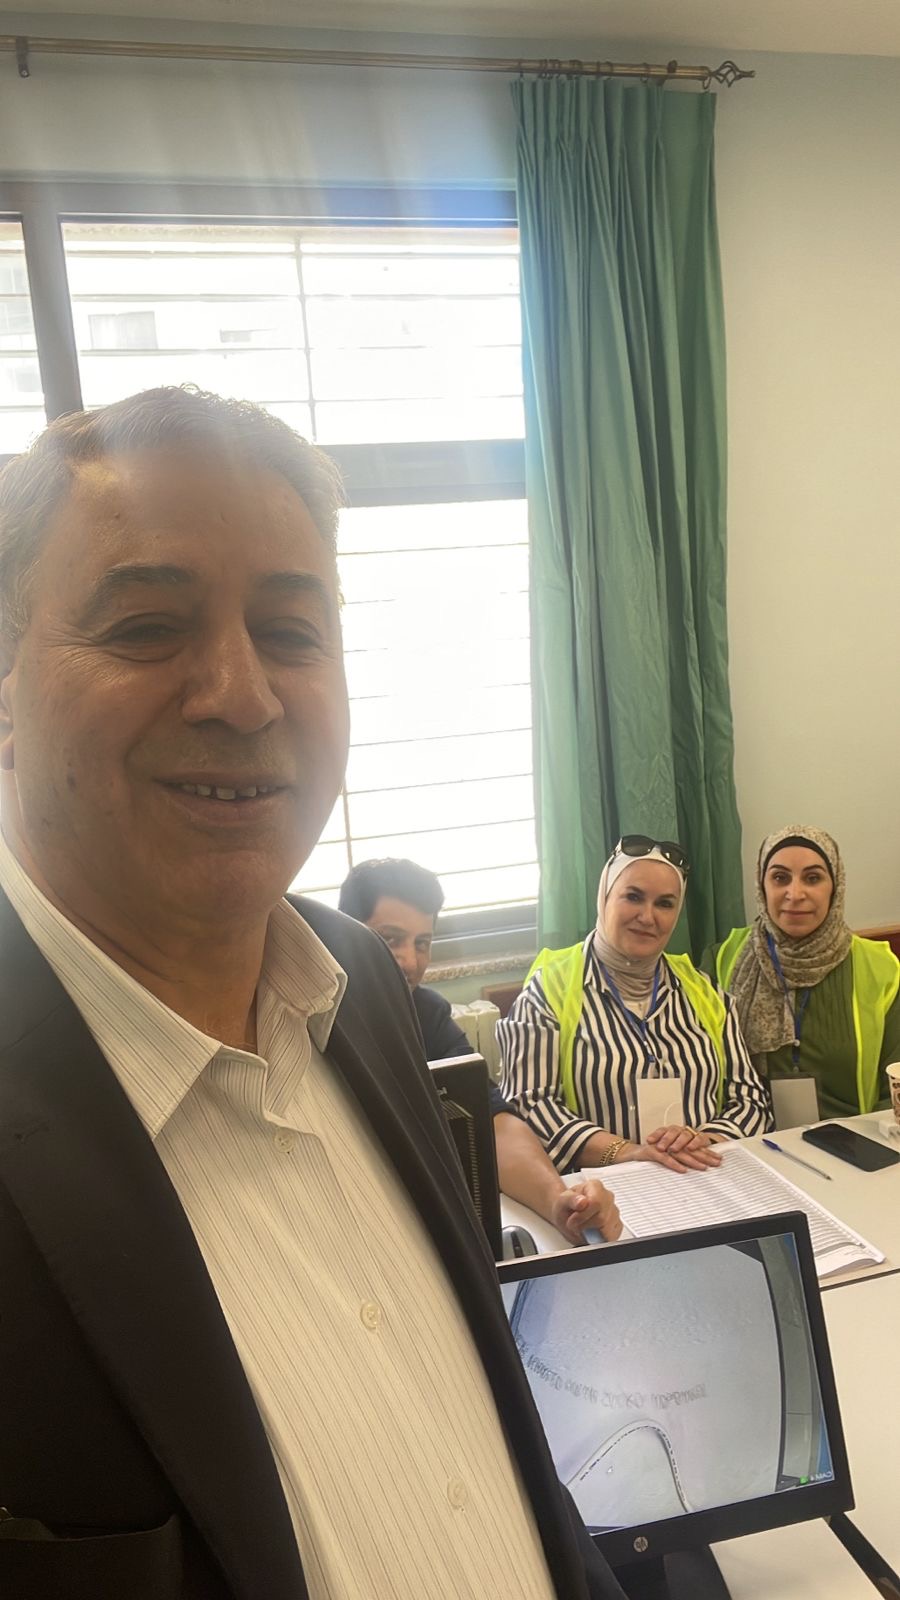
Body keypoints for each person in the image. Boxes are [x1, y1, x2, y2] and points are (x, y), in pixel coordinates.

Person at [0, 387, 625, 1600]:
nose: (243, 693)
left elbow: (502, 1457)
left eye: (291, 631)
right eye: (146, 625)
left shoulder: (366, 993)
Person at [339, 857, 621, 1244]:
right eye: (389, 939)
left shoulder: (427, 1014)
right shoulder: (306, 1016)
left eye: (422, 943)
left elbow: (492, 1122)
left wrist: (558, 1200)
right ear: (345, 933)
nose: (409, 961)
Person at [498, 836, 771, 1175]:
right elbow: (528, 1104)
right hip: (603, 1187)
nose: (647, 916)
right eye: (633, 897)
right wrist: (626, 1152)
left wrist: (706, 1140)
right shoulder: (548, 992)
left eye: (665, 904)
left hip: (704, 1176)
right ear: (605, 897)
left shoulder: (705, 992)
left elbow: (751, 1099)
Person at [707, 825, 900, 1121]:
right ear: (762, 886)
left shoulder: (881, 968)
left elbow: (895, 1086)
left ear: (835, 886)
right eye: (780, 877)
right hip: (748, 1139)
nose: (795, 894)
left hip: (857, 1141)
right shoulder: (723, 959)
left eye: (812, 878)